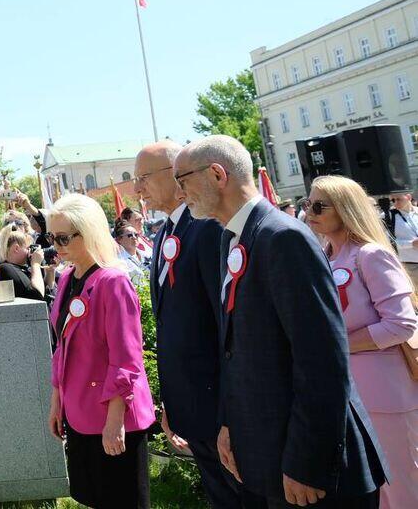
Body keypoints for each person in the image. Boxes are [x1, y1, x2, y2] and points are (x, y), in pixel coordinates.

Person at [175, 135, 387, 508]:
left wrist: (308, 462)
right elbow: (235, 348)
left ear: (217, 174)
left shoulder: (282, 237)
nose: (181, 193)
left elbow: (322, 359)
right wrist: (228, 423)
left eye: (183, 180)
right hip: (272, 454)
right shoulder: (233, 239)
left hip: (314, 470)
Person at [134, 140, 238, 509]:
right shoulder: (166, 232)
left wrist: (229, 413)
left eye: (144, 177)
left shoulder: (207, 228)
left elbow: (225, 326)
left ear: (175, 174)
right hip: (192, 406)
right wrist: (174, 402)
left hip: (219, 408)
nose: (137, 188)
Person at [307, 176, 418, 509]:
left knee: (402, 491)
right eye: (307, 204)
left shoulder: (370, 255)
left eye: (319, 206)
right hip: (346, 399)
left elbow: (400, 324)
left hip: (385, 397)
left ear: (345, 209)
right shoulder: (322, 258)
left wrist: (339, 346)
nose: (309, 212)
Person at [46, 193, 155, 509]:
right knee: (95, 497)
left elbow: (126, 356)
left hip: (114, 414)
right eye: (52, 238)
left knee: (123, 500)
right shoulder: (68, 278)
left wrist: (115, 418)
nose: (56, 245)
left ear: (88, 232)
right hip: (80, 409)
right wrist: (57, 400)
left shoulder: (113, 281)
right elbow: (62, 346)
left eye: (64, 238)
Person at [0, 224, 46, 301]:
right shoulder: (6, 269)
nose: (30, 252)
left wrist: (50, 272)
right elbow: (38, 296)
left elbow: (45, 293)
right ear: (16, 248)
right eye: (27, 248)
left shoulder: (19, 268)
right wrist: (35, 264)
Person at [384, 191, 418, 283]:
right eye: (393, 200)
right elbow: (387, 242)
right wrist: (411, 244)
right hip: (409, 266)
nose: (395, 203)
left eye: (398, 199)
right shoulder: (388, 216)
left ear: (409, 197)